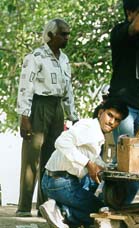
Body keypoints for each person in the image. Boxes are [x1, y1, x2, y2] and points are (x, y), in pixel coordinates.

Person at [15, 18, 78, 217]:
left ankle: (45, 207)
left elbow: (68, 90)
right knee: (31, 158)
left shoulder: (65, 59)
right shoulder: (35, 57)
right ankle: (24, 207)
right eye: (63, 34)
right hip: (39, 106)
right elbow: (25, 87)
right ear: (51, 35)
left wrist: (72, 115)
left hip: (57, 107)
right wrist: (24, 116)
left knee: (52, 158)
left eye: (68, 33)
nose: (67, 37)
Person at [39, 98, 129, 228]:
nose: (112, 122)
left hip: (65, 180)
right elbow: (61, 142)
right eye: (110, 115)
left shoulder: (97, 132)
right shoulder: (88, 127)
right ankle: (63, 213)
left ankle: (62, 206)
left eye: (117, 120)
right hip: (57, 182)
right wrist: (88, 164)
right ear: (100, 113)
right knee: (101, 211)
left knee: (97, 192)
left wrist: (105, 167)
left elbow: (91, 155)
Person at [108, 0, 139, 204]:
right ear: (130, 13)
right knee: (126, 159)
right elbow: (136, 27)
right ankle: (105, 202)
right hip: (122, 106)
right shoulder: (119, 32)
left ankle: (119, 206)